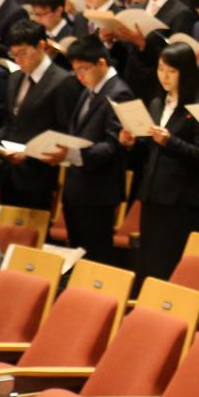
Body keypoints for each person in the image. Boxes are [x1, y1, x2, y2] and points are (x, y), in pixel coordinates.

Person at [120, 40, 199, 280]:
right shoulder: (157, 102)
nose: (165, 76)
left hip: (180, 200)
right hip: (152, 194)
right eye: (161, 69)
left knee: (171, 262)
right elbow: (150, 151)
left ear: (186, 72)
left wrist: (170, 142)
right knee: (149, 259)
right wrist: (132, 143)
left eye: (172, 71)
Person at [55, 37, 135, 265]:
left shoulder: (119, 92)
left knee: (96, 258)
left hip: (98, 190)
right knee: (77, 256)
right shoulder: (89, 90)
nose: (79, 76)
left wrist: (70, 155)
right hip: (77, 189)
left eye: (83, 69)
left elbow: (112, 146)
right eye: (75, 71)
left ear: (101, 63)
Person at [0, 20, 81, 209]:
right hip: (10, 171)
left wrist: (28, 153)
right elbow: (11, 123)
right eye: (14, 54)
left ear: (42, 46)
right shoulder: (14, 77)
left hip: (39, 175)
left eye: (23, 53)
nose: (18, 60)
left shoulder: (63, 81)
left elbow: (65, 132)